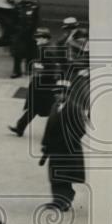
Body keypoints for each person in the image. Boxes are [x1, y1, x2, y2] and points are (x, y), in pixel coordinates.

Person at [40, 80, 85, 212]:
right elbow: (49, 127)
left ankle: (64, 201)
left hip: (68, 150)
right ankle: (58, 200)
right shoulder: (55, 106)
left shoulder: (74, 108)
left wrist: (65, 143)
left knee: (64, 177)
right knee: (54, 176)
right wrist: (45, 144)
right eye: (55, 92)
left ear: (67, 94)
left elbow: (80, 130)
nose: (56, 95)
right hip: (55, 149)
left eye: (60, 92)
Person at [9, 28, 62, 137]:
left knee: (49, 109)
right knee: (36, 108)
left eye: (39, 38)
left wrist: (39, 71)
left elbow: (52, 69)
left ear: (45, 39)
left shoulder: (47, 51)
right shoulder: (44, 49)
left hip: (44, 86)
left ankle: (57, 131)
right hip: (42, 85)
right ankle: (20, 127)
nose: (37, 40)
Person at [9, 0, 39, 78]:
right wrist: (14, 31)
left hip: (30, 33)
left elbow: (36, 20)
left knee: (30, 52)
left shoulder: (34, 7)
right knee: (17, 53)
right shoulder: (17, 7)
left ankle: (28, 69)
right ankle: (16, 71)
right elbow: (13, 20)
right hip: (19, 33)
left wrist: (35, 32)